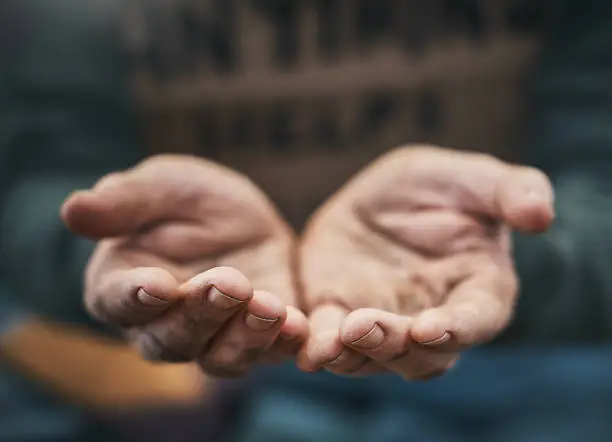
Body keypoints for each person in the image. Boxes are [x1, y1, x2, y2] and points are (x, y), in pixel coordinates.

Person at [4, 0, 612, 441]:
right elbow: (33, 185)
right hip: (206, 364)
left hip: (539, 347)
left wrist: (504, 256)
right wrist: (123, 257)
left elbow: (599, 183)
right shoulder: (67, 18)